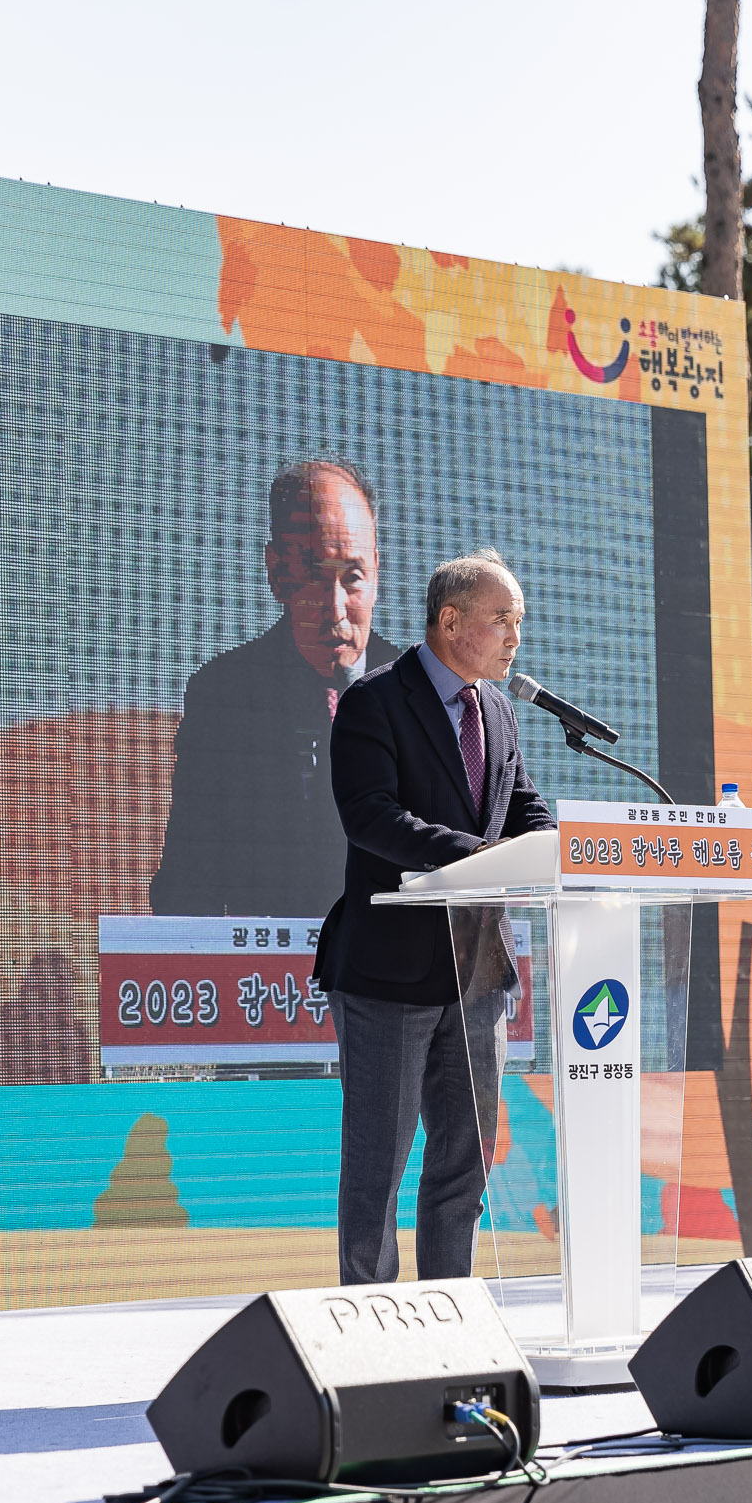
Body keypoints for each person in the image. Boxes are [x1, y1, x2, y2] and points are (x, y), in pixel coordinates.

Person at [313, 550, 553, 1285]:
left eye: (519, 621)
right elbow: (371, 817)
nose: (515, 636)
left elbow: (525, 806)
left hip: (477, 973)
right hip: (388, 972)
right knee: (377, 1168)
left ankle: (450, 1316)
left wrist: (557, 848)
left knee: (464, 1162)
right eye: (502, 620)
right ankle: (372, 1328)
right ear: (451, 621)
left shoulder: (500, 710)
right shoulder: (375, 702)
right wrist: (483, 857)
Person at [147, 458, 403, 917]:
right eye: (314, 576)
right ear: (277, 573)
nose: (336, 607)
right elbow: (189, 877)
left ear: (378, 572)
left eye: (353, 577)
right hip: (275, 977)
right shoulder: (225, 697)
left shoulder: (416, 693)